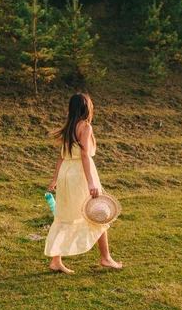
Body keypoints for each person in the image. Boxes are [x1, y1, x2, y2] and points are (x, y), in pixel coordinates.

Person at [44, 93, 123, 273]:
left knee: (64, 216)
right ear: (87, 108)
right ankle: (106, 258)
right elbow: (85, 155)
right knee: (99, 212)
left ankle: (56, 260)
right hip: (80, 173)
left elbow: (61, 156)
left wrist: (56, 178)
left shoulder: (69, 127)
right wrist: (91, 183)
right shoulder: (85, 127)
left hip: (66, 173)